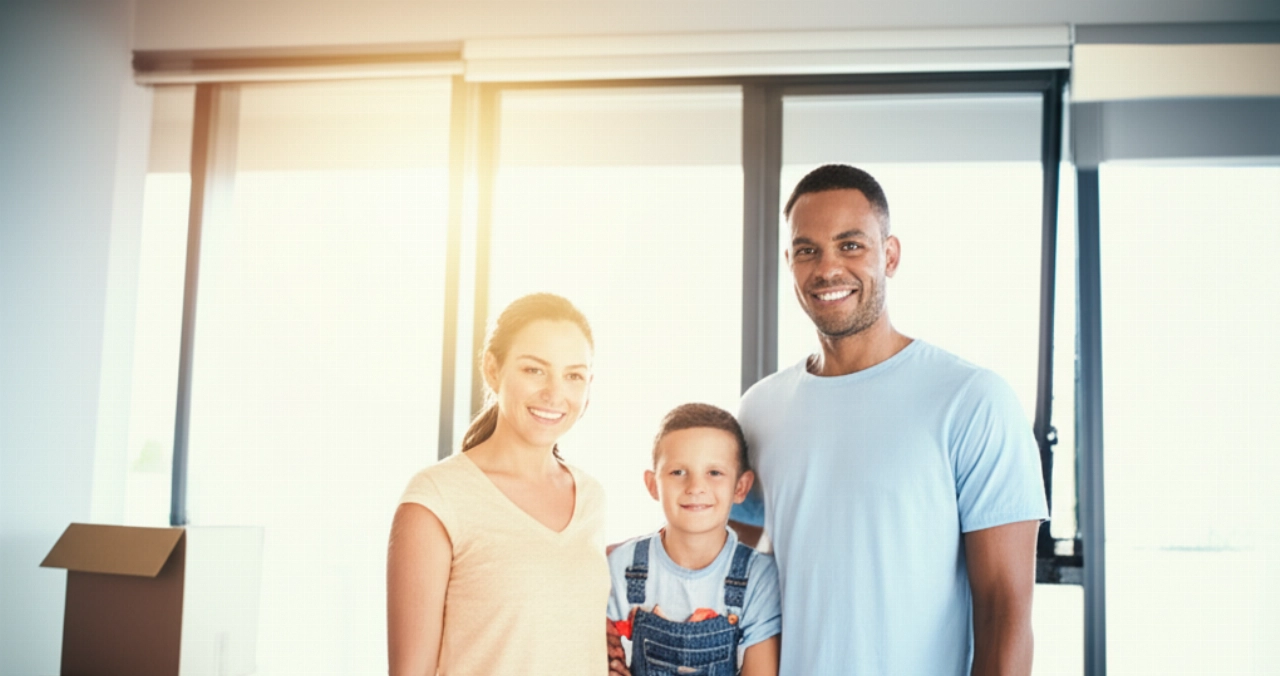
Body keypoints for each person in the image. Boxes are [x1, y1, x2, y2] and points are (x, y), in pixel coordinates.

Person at [729, 164, 1049, 675]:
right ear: (789, 262)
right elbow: (722, 569)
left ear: (890, 255)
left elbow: (1004, 611)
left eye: (851, 245)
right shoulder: (759, 408)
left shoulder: (971, 400)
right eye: (808, 250)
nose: (828, 268)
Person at [387, 293, 610, 675]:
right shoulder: (437, 500)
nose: (554, 393)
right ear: (492, 370)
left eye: (573, 375)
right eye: (534, 370)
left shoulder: (591, 497)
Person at [607, 403, 780, 676]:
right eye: (678, 472)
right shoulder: (622, 567)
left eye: (714, 473)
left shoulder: (759, 578)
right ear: (653, 485)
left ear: (740, 487)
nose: (696, 487)